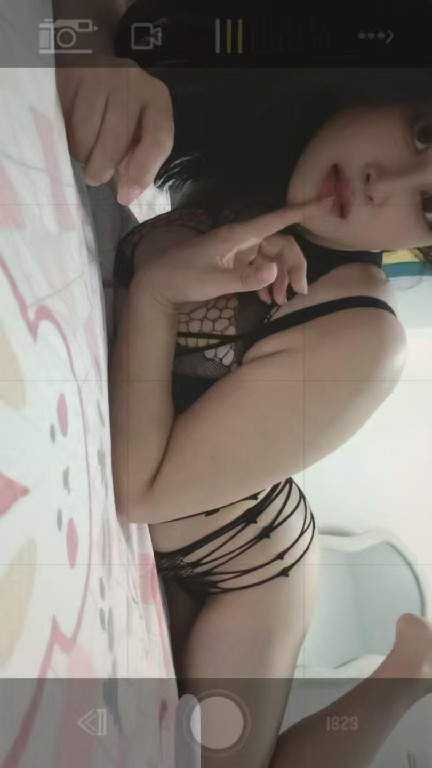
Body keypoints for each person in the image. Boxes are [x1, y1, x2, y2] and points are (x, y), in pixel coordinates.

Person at [107, 64, 432, 768]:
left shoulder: (365, 335)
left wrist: (160, 295)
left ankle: (407, 676)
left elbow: (141, 495)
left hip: (250, 565)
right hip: (209, 503)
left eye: (430, 206)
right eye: (422, 133)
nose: (382, 181)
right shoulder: (263, 167)